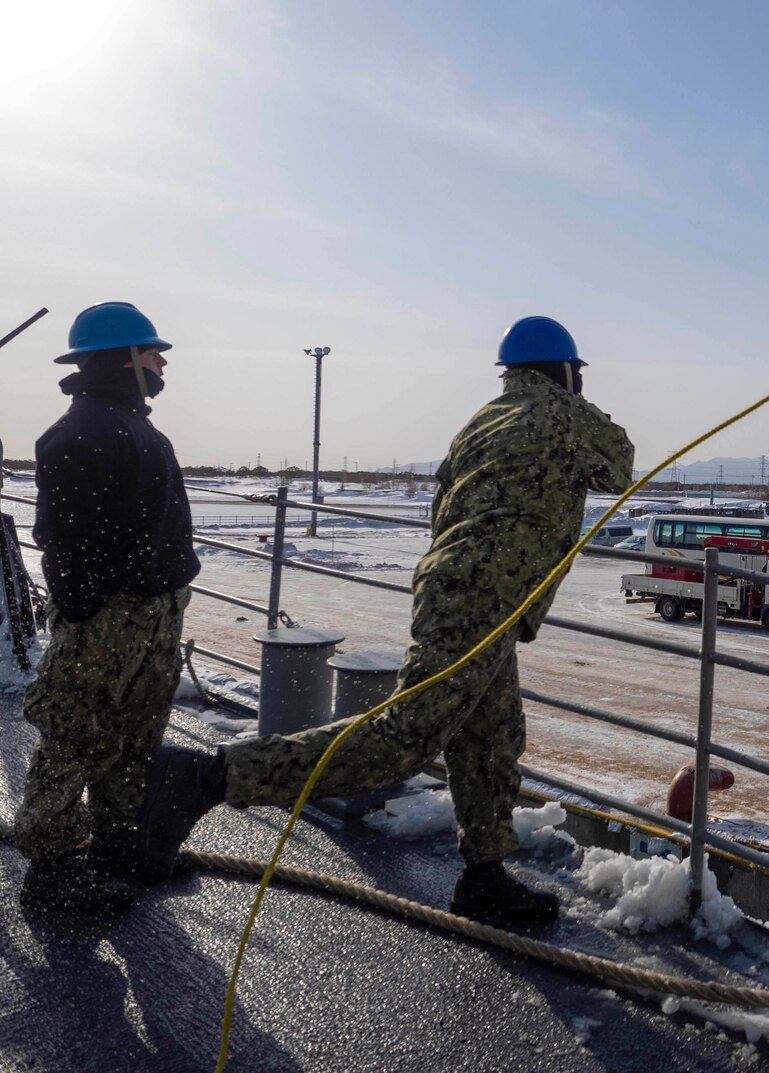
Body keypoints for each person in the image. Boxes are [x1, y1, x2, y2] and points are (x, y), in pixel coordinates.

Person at [136, 316, 635, 925]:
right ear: (565, 373)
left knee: (489, 737)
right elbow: (619, 465)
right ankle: (209, 776)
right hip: (484, 601)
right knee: (400, 742)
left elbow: (443, 502)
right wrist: (575, 405)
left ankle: (486, 874)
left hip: (459, 590)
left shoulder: (480, 422)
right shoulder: (565, 416)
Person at [14, 302, 198, 915]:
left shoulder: (132, 425)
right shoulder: (80, 433)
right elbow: (64, 540)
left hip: (152, 612)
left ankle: (118, 842)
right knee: (75, 733)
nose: (162, 361)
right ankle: (53, 863)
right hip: (108, 616)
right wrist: (86, 617)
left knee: (134, 731)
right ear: (123, 358)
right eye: (151, 352)